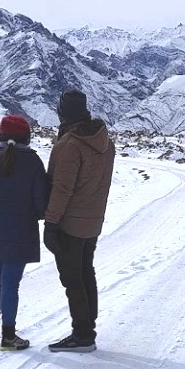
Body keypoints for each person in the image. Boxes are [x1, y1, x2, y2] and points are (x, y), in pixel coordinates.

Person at [0, 115, 48, 350]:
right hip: (22, 232)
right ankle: (10, 336)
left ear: (1, 135)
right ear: (26, 137)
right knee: (11, 283)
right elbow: (41, 204)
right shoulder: (33, 163)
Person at [43, 89, 115, 352]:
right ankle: (88, 329)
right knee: (86, 273)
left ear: (63, 112)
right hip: (93, 220)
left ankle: (82, 335)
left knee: (73, 278)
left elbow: (62, 188)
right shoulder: (105, 140)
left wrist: (50, 223)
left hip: (70, 223)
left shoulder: (70, 145)